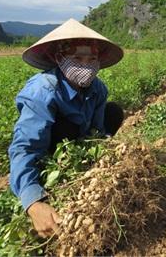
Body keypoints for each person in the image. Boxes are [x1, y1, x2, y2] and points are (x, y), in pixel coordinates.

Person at [8, 19, 124, 238]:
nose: (86, 66)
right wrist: (33, 202)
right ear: (59, 58)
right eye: (77, 59)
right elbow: (25, 147)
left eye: (91, 59)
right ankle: (40, 180)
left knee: (114, 112)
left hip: (77, 144)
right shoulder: (42, 91)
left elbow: (97, 131)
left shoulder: (98, 88)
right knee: (66, 125)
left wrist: (105, 153)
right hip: (51, 150)